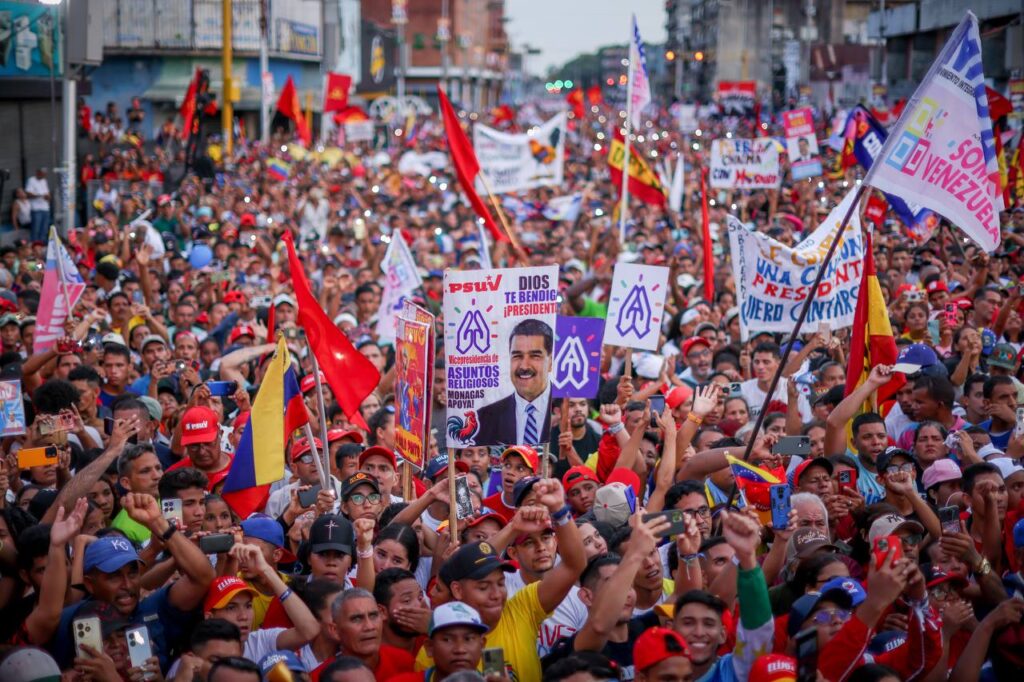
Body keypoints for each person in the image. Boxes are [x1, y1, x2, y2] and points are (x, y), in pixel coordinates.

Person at [472, 318, 554, 446]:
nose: (524, 366)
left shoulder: (564, 412)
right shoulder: (485, 418)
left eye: (535, 356)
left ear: (550, 362)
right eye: (517, 356)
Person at [25, 168, 51, 243]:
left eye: (45, 174)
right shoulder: (31, 180)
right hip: (36, 209)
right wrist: (41, 196)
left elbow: (47, 193)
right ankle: (35, 245)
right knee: (36, 229)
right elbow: (28, 193)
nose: (43, 176)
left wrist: (48, 197)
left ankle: (42, 244)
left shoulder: (44, 181)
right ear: (38, 173)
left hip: (45, 208)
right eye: (42, 174)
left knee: (44, 229)